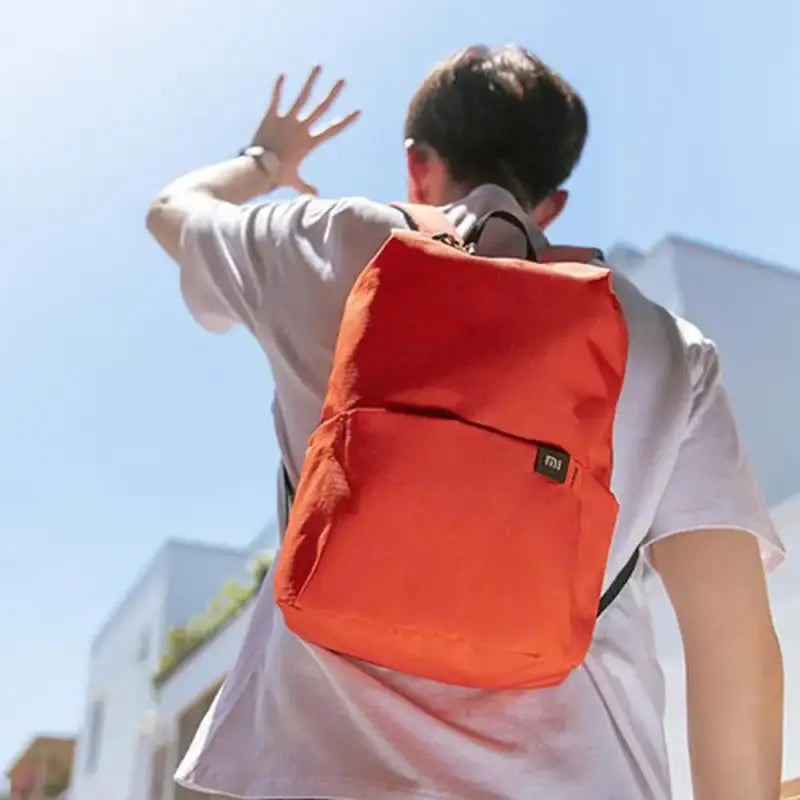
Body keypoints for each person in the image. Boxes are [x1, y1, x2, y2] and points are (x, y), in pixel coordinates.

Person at [146, 45, 784, 800]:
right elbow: (732, 647)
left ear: (418, 165)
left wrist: (267, 158)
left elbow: (171, 213)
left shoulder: (328, 242)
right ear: (552, 205)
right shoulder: (669, 349)